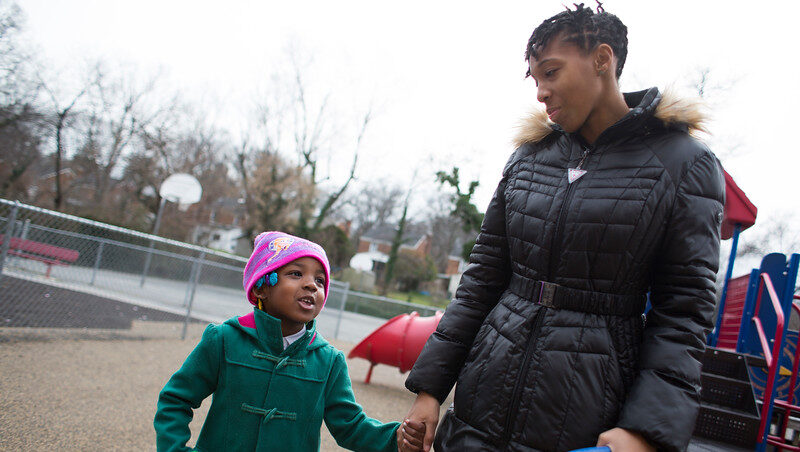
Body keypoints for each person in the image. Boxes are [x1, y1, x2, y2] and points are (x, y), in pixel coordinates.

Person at [401, 4, 725, 452]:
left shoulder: (685, 163)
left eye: (551, 72)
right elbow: (481, 281)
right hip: (480, 404)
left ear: (602, 59)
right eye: (535, 79)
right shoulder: (529, 157)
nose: (541, 92)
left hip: (586, 414)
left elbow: (684, 313)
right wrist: (430, 390)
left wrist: (645, 429)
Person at [155, 231, 425, 452]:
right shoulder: (224, 339)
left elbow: (350, 425)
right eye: (296, 273)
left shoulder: (329, 361)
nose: (311, 285)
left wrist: (396, 438)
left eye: (320, 280)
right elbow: (176, 399)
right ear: (262, 287)